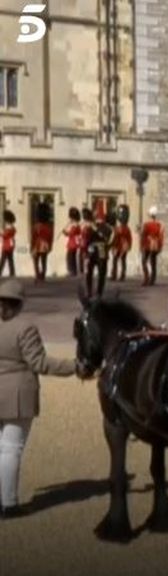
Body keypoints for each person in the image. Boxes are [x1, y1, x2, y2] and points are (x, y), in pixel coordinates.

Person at [0, 280, 76, 517]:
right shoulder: (25, 327)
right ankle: (9, 502)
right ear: (20, 304)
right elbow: (40, 363)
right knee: (11, 449)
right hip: (18, 393)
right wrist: (74, 366)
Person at [85, 211, 115, 298]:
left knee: (101, 273)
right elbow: (86, 238)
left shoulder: (107, 228)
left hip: (101, 250)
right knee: (89, 272)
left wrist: (96, 229)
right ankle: (90, 291)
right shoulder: (90, 227)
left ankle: (98, 292)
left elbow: (106, 238)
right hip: (93, 250)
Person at [140, 207, 165, 287]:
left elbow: (143, 235)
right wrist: (160, 246)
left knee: (144, 261)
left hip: (147, 244)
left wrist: (142, 245)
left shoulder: (146, 224)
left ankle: (146, 278)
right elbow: (161, 236)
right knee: (153, 262)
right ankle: (152, 279)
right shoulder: (159, 225)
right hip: (155, 244)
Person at [30, 203, 54, 284]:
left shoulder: (36, 226)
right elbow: (50, 238)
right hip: (45, 245)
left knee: (36, 261)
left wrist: (31, 247)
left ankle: (37, 275)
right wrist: (50, 246)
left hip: (37, 245)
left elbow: (33, 238)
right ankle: (42, 276)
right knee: (44, 261)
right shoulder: (49, 226)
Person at [110, 205, 132, 283]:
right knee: (119, 260)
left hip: (120, 245)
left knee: (119, 260)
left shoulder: (120, 228)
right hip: (122, 245)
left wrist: (113, 245)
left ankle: (118, 275)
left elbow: (117, 237)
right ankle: (118, 275)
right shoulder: (123, 228)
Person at [62, 207, 82, 277]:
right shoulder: (76, 224)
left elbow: (71, 234)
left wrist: (64, 232)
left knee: (69, 258)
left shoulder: (75, 225)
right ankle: (74, 271)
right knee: (72, 257)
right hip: (74, 243)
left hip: (72, 243)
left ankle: (71, 271)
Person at [78, 208, 94, 277]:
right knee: (82, 256)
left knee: (88, 257)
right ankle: (83, 270)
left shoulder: (90, 224)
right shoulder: (84, 224)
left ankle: (87, 270)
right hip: (83, 243)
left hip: (89, 243)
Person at [2, 211, 16, 278]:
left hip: (7, 245)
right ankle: (12, 273)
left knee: (3, 260)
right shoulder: (11, 227)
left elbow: (5, 235)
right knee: (10, 259)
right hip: (10, 244)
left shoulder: (9, 228)